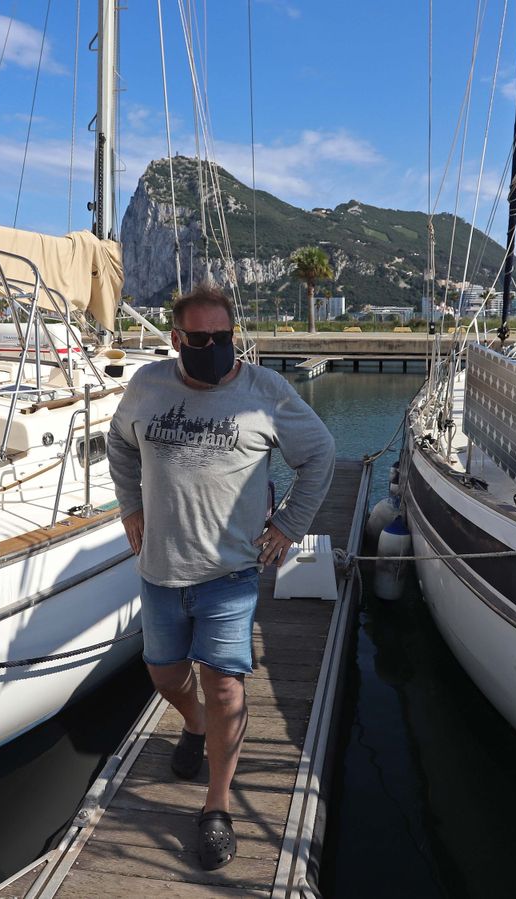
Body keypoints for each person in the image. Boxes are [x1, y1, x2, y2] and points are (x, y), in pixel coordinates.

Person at [108, 284, 334, 870]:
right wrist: (130, 507)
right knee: (164, 674)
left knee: (226, 683)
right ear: (177, 339)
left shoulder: (267, 392)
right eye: (200, 339)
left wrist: (287, 527)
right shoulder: (146, 386)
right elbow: (119, 445)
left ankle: (216, 808)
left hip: (231, 573)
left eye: (224, 337)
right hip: (160, 569)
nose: (214, 348)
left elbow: (320, 455)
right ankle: (194, 724)